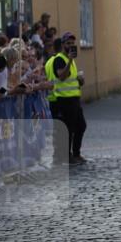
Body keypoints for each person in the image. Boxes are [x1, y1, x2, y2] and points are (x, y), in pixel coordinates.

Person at [45, 32, 87, 164]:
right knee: (67, 129)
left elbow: (70, 79)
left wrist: (79, 80)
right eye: (68, 43)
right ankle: (67, 156)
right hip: (63, 100)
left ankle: (75, 153)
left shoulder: (71, 60)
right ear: (63, 45)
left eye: (72, 43)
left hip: (74, 98)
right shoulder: (60, 59)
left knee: (81, 126)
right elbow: (61, 76)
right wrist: (69, 60)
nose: (71, 46)